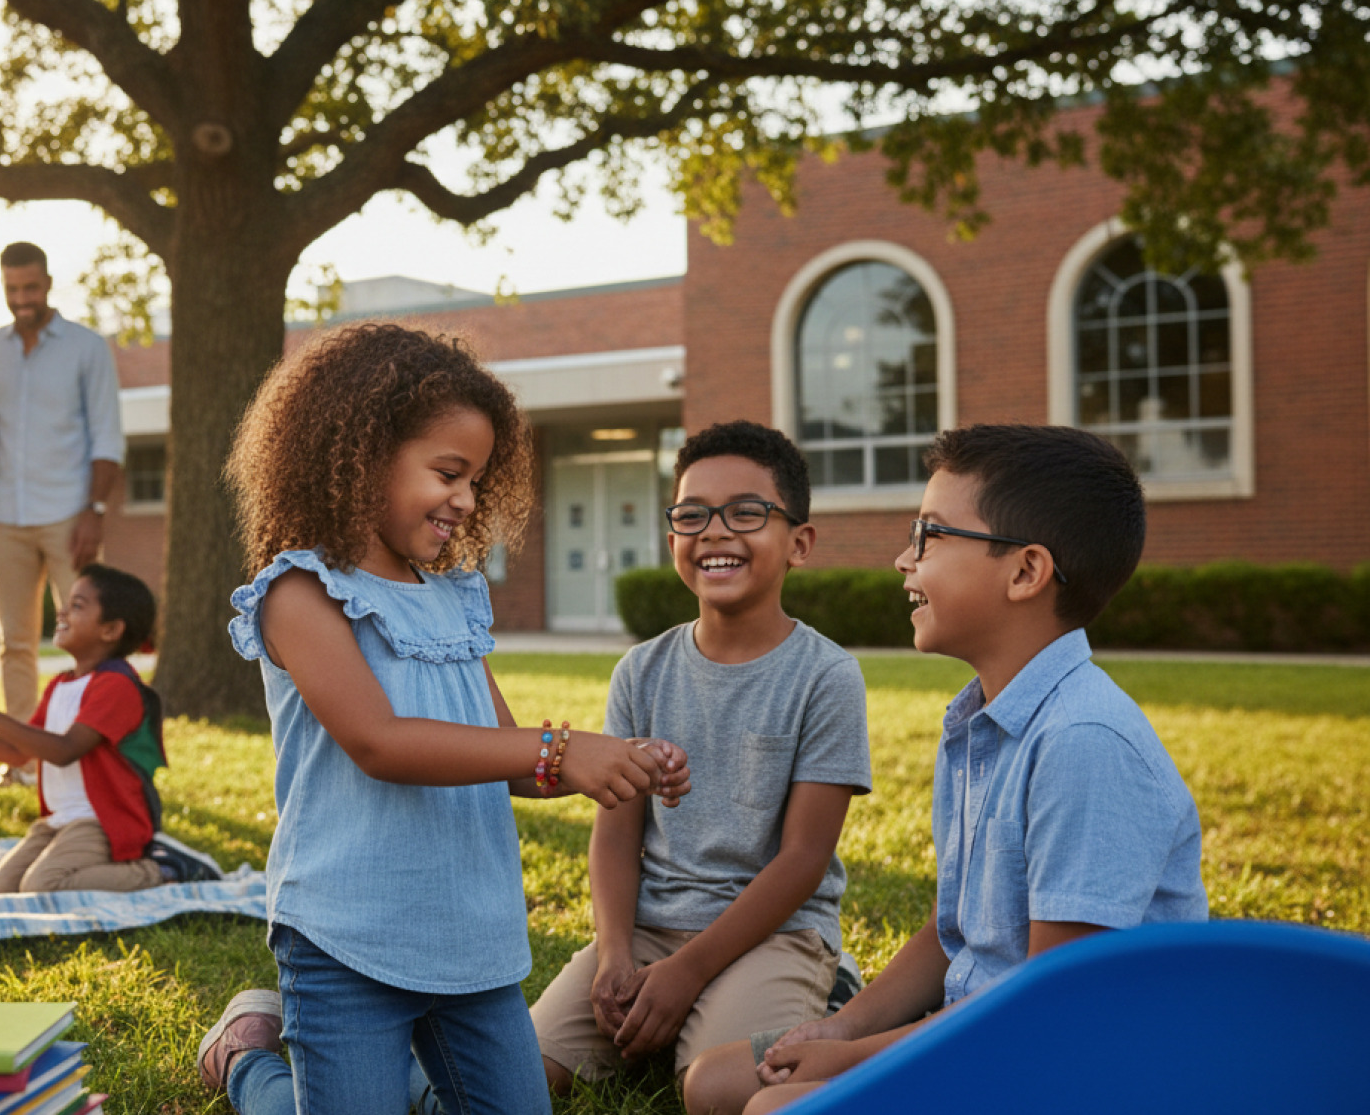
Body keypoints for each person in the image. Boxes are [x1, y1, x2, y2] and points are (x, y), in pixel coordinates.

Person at [194, 323, 692, 1115]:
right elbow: (380, 742)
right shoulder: (301, 593)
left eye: (476, 479)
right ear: (359, 454)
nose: (465, 499)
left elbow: (503, 753)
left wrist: (616, 760)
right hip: (345, 936)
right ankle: (252, 1062)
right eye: (448, 473)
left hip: (471, 939)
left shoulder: (456, 595)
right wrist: (561, 750)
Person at [682, 424, 1209, 1115]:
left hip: (1071, 1066)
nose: (905, 559)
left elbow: (1052, 1010)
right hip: (983, 1027)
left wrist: (850, 1058)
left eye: (930, 535)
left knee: (769, 1109)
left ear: (1025, 571)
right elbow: (954, 925)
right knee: (712, 1083)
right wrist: (843, 1025)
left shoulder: (1084, 740)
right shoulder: (979, 721)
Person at [519, 421, 871, 1105]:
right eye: (692, 514)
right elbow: (617, 833)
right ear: (672, 534)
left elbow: (803, 858)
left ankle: (830, 989)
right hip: (650, 924)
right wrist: (616, 952)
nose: (715, 531)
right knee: (522, 1079)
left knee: (711, 1091)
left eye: (747, 512)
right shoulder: (641, 670)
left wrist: (688, 971)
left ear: (799, 541)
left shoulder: (826, 675)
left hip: (774, 932)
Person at [0, 563, 220, 891]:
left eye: (77, 606)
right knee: (1, 886)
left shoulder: (117, 687)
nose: (62, 611)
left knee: (41, 886)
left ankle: (165, 871)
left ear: (111, 630)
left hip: (102, 821)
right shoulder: (60, 685)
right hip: (59, 821)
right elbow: (18, 753)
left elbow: (65, 751)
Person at [0, 242, 125, 788]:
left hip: (69, 516)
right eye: (12, 290)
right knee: (14, 642)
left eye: (30, 288)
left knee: (88, 638)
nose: (21, 299)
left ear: (49, 284)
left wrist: (95, 510)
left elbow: (107, 434)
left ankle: (86, 753)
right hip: (5, 518)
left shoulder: (86, 348)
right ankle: (24, 763)